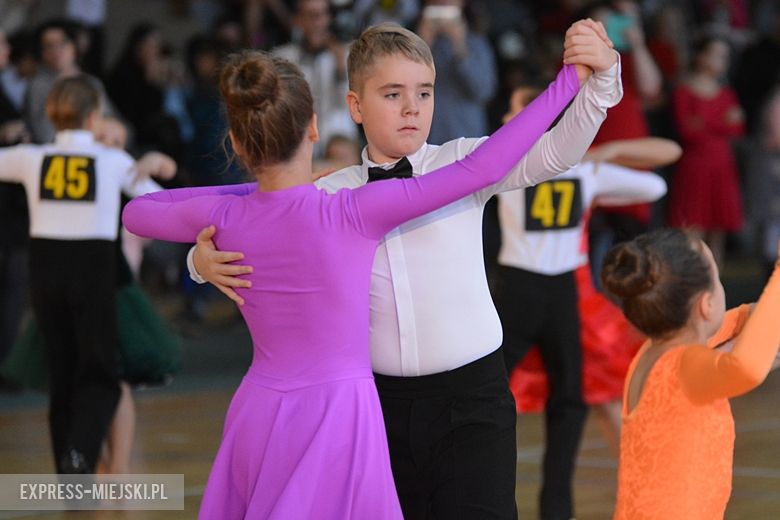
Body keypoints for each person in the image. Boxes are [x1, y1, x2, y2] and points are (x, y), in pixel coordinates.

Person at [122, 37, 590, 517]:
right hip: (345, 412)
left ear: (239, 142)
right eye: (393, 94)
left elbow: (140, 212)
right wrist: (569, 80)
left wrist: (249, 198)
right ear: (314, 128)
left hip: (262, 412)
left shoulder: (233, 213)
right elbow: (486, 164)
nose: (410, 106)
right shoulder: (348, 209)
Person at [496, 85, 676, 517]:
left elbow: (656, 180)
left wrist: (601, 152)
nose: (505, 115)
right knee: (568, 403)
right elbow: (654, 182)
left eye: (514, 107)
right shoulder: (583, 170)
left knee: (493, 394)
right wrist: (604, 154)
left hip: (521, 293)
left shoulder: (502, 162)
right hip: (557, 295)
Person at [0, 75, 165, 473]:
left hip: (45, 269)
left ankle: (69, 468)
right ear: (94, 117)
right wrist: (154, 162)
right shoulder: (111, 160)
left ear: (52, 115)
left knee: (63, 372)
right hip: (93, 269)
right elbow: (158, 201)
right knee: (100, 372)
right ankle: (79, 454)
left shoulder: (31, 157)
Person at [602, 228, 780, 519]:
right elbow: (746, 366)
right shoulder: (686, 363)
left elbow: (741, 324)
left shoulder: (655, 352)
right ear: (706, 305)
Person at [667, 35, 745, 268]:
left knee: (717, 232)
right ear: (701, 57)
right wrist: (722, 121)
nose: (723, 60)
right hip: (696, 166)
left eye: (725, 56)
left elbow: (738, 128)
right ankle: (692, 291)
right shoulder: (684, 90)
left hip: (721, 166)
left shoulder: (726, 92)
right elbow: (687, 130)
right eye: (717, 54)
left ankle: (714, 291)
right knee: (692, 230)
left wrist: (704, 121)